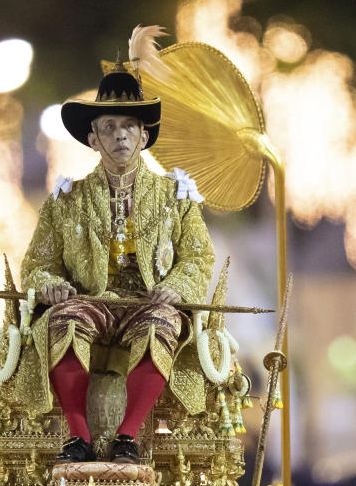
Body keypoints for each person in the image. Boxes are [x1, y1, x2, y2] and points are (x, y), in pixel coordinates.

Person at [20, 60, 214, 465]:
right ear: (93, 139)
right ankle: (79, 438)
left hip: (147, 304)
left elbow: (198, 256)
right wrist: (50, 285)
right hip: (91, 301)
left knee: (162, 321)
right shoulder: (66, 200)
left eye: (129, 125)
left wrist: (175, 287)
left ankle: (127, 438)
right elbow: (36, 266)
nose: (120, 134)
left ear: (144, 136)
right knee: (62, 319)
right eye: (109, 127)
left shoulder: (176, 196)